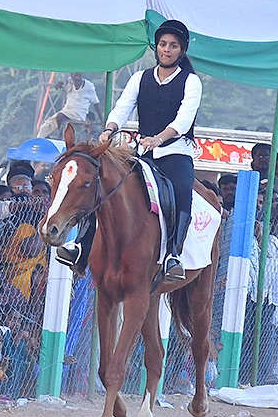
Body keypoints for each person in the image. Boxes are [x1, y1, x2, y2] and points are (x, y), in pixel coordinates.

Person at [58, 19, 202, 282]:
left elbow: (183, 120)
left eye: (173, 46)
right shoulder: (140, 78)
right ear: (156, 47)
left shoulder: (191, 81)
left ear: (182, 50)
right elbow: (123, 107)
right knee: (102, 182)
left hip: (174, 152)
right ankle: (80, 245)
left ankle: (172, 255)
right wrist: (110, 128)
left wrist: (159, 138)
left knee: (182, 190)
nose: (166, 50)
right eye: (162, 44)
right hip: (141, 152)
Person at [37, 72, 101, 139]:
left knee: (60, 116)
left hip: (78, 113)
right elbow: (63, 86)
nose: (77, 78)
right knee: (46, 126)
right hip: (67, 111)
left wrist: (102, 120)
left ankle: (61, 136)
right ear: (72, 76)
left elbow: (96, 103)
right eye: (75, 75)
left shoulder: (89, 86)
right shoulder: (69, 82)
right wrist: (59, 85)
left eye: (79, 75)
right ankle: (42, 139)